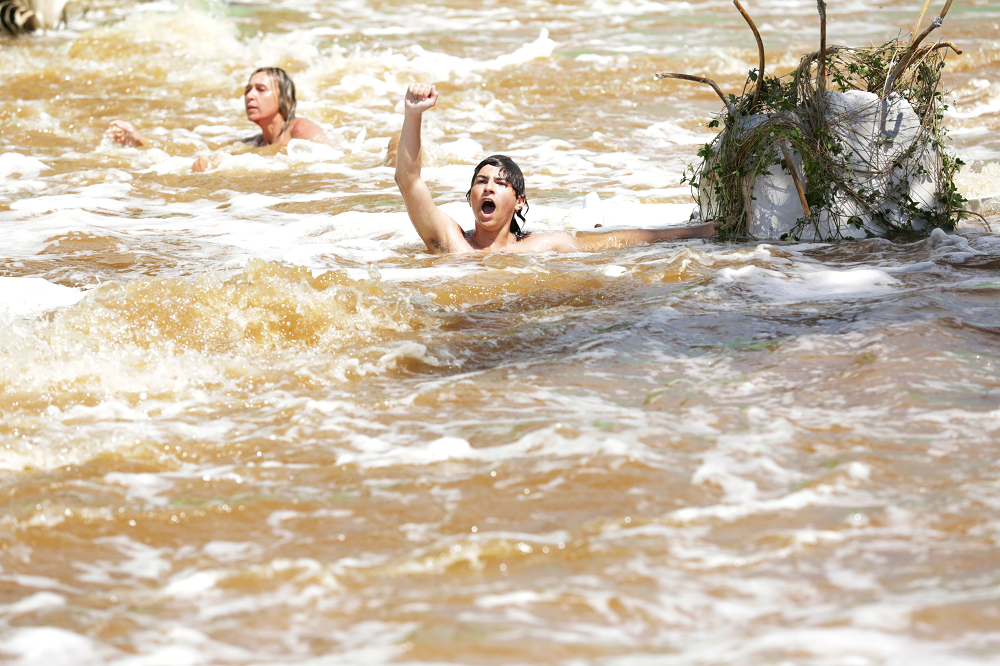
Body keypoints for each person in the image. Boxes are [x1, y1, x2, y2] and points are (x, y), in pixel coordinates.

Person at [394, 83, 718, 254]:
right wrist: (414, 114)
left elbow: (618, 241)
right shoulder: (450, 242)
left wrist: (697, 232)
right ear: (470, 197)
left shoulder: (542, 246)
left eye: (500, 183)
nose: (489, 187)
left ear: (520, 200)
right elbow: (408, 181)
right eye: (481, 182)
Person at [105, 67, 334, 172]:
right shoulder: (257, 142)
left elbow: (333, 161)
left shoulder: (300, 129)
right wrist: (139, 139)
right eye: (248, 89)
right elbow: (188, 151)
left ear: (283, 98)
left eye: (260, 89)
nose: (250, 95)